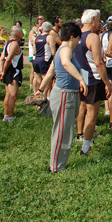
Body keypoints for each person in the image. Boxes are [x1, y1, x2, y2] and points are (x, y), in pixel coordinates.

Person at [39, 21, 88, 173]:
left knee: (65, 131)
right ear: (72, 37)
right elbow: (66, 64)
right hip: (64, 95)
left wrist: (40, 90)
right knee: (62, 133)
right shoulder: (66, 49)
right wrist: (80, 79)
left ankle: (59, 164)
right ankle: (56, 167)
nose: (78, 42)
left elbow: (49, 73)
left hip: (65, 94)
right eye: (78, 39)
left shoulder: (62, 49)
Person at [73, 9, 112, 155]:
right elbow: (99, 63)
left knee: (82, 109)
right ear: (93, 20)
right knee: (92, 114)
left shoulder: (76, 37)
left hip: (79, 78)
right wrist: (107, 83)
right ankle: (86, 146)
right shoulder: (93, 37)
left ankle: (81, 135)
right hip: (93, 79)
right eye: (99, 20)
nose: (100, 23)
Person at [0, 26, 24, 122]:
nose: (23, 33)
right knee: (13, 95)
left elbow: (1, 59)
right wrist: (3, 72)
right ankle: (10, 117)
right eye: (21, 32)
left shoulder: (7, 43)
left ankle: (6, 116)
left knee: (8, 95)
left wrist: (1, 71)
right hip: (13, 71)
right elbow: (8, 59)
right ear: (17, 34)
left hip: (7, 70)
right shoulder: (14, 44)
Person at [33, 22, 57, 97]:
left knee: (38, 80)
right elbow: (53, 52)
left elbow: (34, 52)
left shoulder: (37, 38)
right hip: (45, 60)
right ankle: (43, 98)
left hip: (36, 60)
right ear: (50, 29)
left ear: (42, 29)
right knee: (47, 81)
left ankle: (36, 94)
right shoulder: (49, 37)